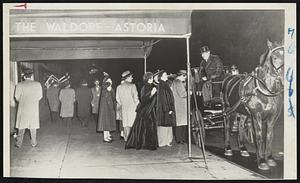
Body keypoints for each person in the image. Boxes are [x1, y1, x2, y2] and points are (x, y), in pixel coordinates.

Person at [125, 72, 158, 150]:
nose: (152, 79)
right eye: (151, 78)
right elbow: (144, 99)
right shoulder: (145, 87)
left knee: (147, 127)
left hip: (150, 110)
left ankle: (148, 144)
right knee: (146, 127)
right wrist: (151, 93)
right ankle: (147, 144)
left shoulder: (150, 86)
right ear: (149, 79)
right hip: (146, 111)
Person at [14, 69, 42, 148]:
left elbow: (16, 97)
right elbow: (39, 96)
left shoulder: (19, 85)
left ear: (24, 76)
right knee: (33, 126)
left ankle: (19, 143)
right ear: (32, 75)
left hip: (23, 108)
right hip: (33, 108)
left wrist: (23, 101)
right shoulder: (37, 84)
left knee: (21, 126)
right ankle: (34, 143)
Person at [116, 70, 140, 142]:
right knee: (132, 123)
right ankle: (133, 140)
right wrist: (137, 106)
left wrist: (123, 104)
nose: (132, 78)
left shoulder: (119, 87)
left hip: (124, 108)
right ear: (128, 77)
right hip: (132, 108)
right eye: (131, 77)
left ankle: (127, 139)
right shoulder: (133, 86)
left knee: (125, 124)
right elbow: (136, 98)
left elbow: (117, 98)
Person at [155, 70, 176, 147]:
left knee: (167, 125)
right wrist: (168, 109)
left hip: (166, 108)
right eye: (165, 75)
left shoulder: (165, 84)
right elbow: (163, 99)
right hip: (165, 109)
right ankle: (162, 142)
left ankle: (167, 141)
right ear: (161, 77)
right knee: (163, 126)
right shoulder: (162, 85)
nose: (166, 76)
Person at [97, 75, 116, 143]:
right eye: (109, 81)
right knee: (106, 122)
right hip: (105, 108)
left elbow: (113, 97)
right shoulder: (105, 88)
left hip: (109, 108)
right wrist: (109, 90)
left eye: (111, 80)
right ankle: (105, 137)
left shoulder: (110, 88)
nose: (111, 82)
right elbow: (107, 98)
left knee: (108, 122)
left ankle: (108, 136)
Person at [171, 70, 188, 144]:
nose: (185, 79)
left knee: (179, 123)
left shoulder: (174, 82)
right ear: (182, 75)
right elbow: (182, 94)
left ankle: (180, 139)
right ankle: (180, 139)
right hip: (181, 105)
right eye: (185, 77)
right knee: (181, 123)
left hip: (177, 104)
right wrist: (189, 92)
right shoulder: (179, 82)